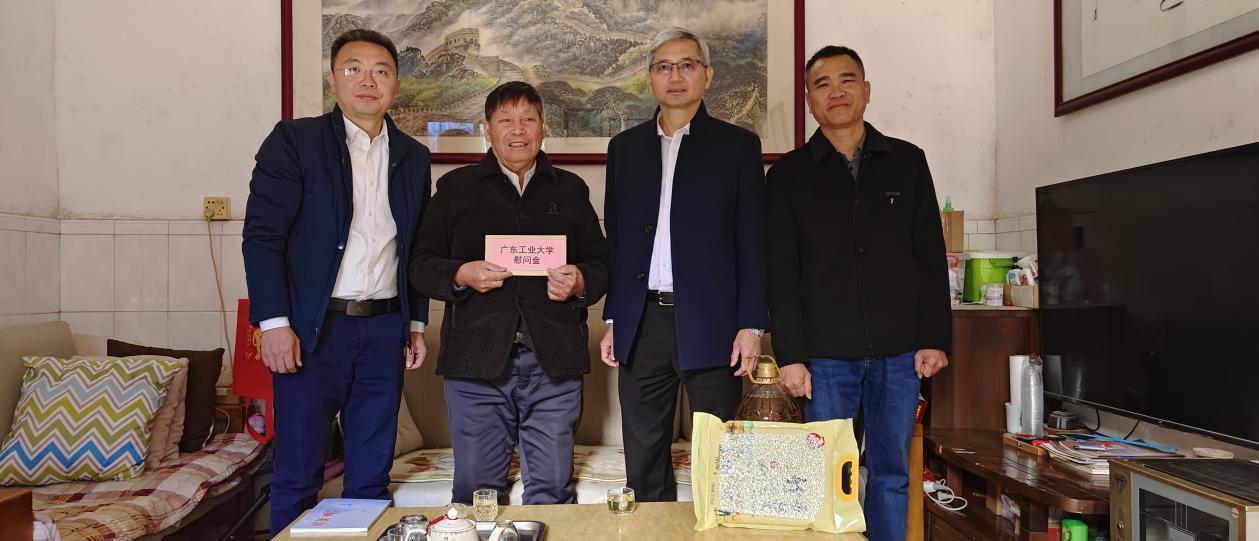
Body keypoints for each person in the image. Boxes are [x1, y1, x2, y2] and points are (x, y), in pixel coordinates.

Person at [243, 29, 431, 534]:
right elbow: (263, 237)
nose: (368, 80)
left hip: (384, 330)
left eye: (381, 71)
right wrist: (274, 324)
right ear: (333, 79)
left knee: (370, 475)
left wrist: (415, 324)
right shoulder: (295, 141)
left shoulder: (413, 156)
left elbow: (414, 247)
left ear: (396, 84)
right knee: (298, 472)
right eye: (354, 69)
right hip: (311, 330)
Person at [765, 45, 951, 541]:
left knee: (891, 473)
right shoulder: (787, 175)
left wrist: (934, 337)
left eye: (847, 80)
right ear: (809, 100)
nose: (837, 92)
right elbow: (780, 273)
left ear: (866, 90)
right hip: (825, 357)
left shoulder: (907, 162)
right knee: (829, 474)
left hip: (899, 350)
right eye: (822, 84)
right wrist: (790, 356)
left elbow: (930, 257)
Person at [409, 81, 609, 505]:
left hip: (553, 361)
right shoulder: (456, 188)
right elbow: (420, 265)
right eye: (506, 120)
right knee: (477, 496)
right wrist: (461, 273)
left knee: (552, 493)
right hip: (475, 362)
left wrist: (580, 280)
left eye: (527, 119)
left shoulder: (570, 189)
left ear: (542, 128)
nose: (518, 130)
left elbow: (602, 264)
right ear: (487, 129)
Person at [600, 27, 768, 502]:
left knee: (720, 455)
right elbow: (618, 242)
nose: (675, 76)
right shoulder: (625, 149)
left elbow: (753, 241)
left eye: (687, 65)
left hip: (713, 322)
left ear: (707, 76)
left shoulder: (737, 146)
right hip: (642, 321)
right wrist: (614, 318)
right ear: (650, 78)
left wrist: (751, 325)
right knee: (643, 455)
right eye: (664, 67)